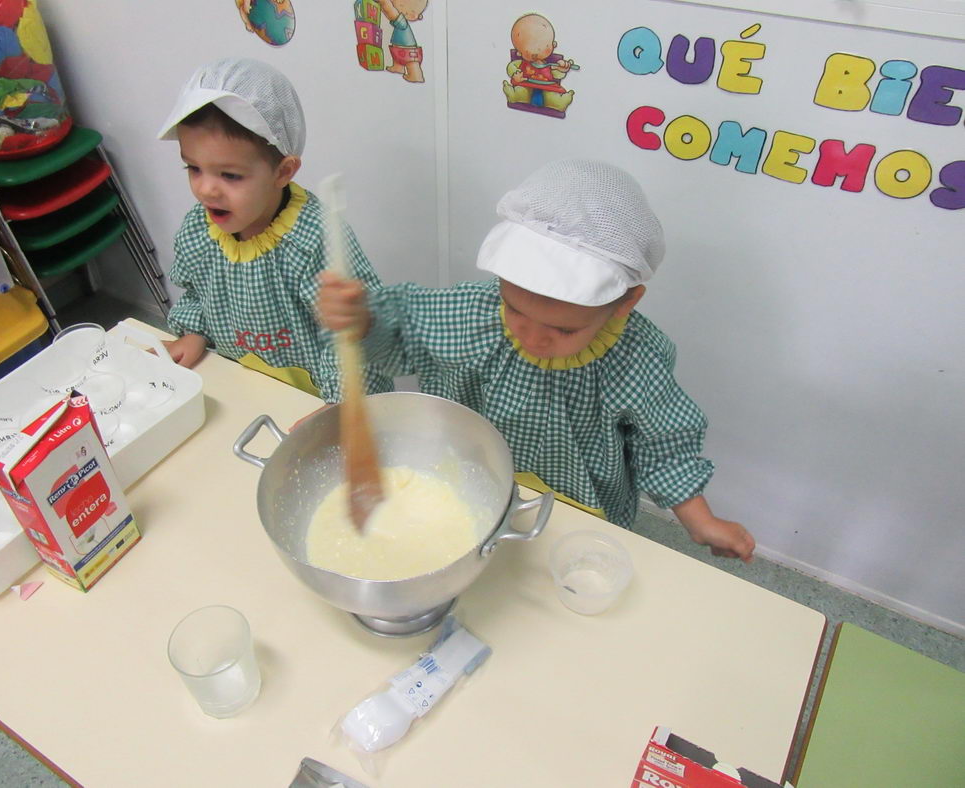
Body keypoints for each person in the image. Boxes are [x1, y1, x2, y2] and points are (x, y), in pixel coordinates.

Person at [317, 159, 755, 561]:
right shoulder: (475, 314)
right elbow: (402, 330)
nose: (533, 338)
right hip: (466, 485)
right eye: (516, 311)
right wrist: (361, 320)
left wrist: (701, 522)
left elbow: (665, 446)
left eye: (564, 330)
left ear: (625, 303)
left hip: (576, 507)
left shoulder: (636, 360)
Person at [157, 57, 393, 401]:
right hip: (247, 390)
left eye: (230, 175)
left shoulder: (314, 240)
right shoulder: (201, 228)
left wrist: (339, 410)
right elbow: (196, 292)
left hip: (326, 402)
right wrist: (195, 331)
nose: (206, 189)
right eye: (194, 168)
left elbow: (353, 335)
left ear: (283, 172)